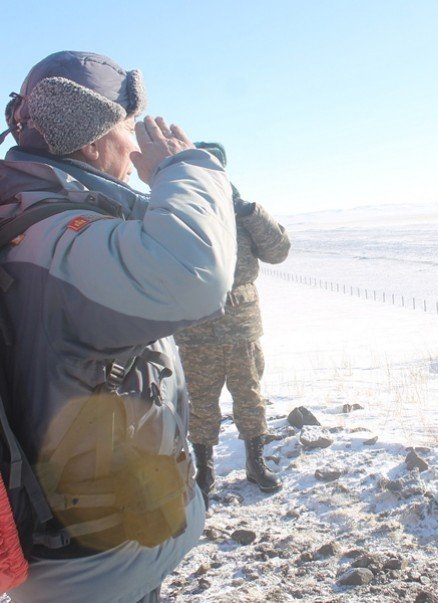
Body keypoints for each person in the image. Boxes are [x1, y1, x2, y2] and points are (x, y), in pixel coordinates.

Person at [0, 51, 237, 602]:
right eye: (129, 127)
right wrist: (186, 169)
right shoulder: (57, 238)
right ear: (91, 140)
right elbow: (192, 272)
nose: (137, 147)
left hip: (100, 542)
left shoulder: (32, 215)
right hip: (93, 567)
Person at [174, 142, 290, 506]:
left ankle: (255, 463)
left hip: (242, 326)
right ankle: (205, 470)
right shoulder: (179, 209)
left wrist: (250, 212)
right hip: (197, 327)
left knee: (250, 397)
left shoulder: (243, 214)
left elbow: (279, 251)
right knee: (201, 401)